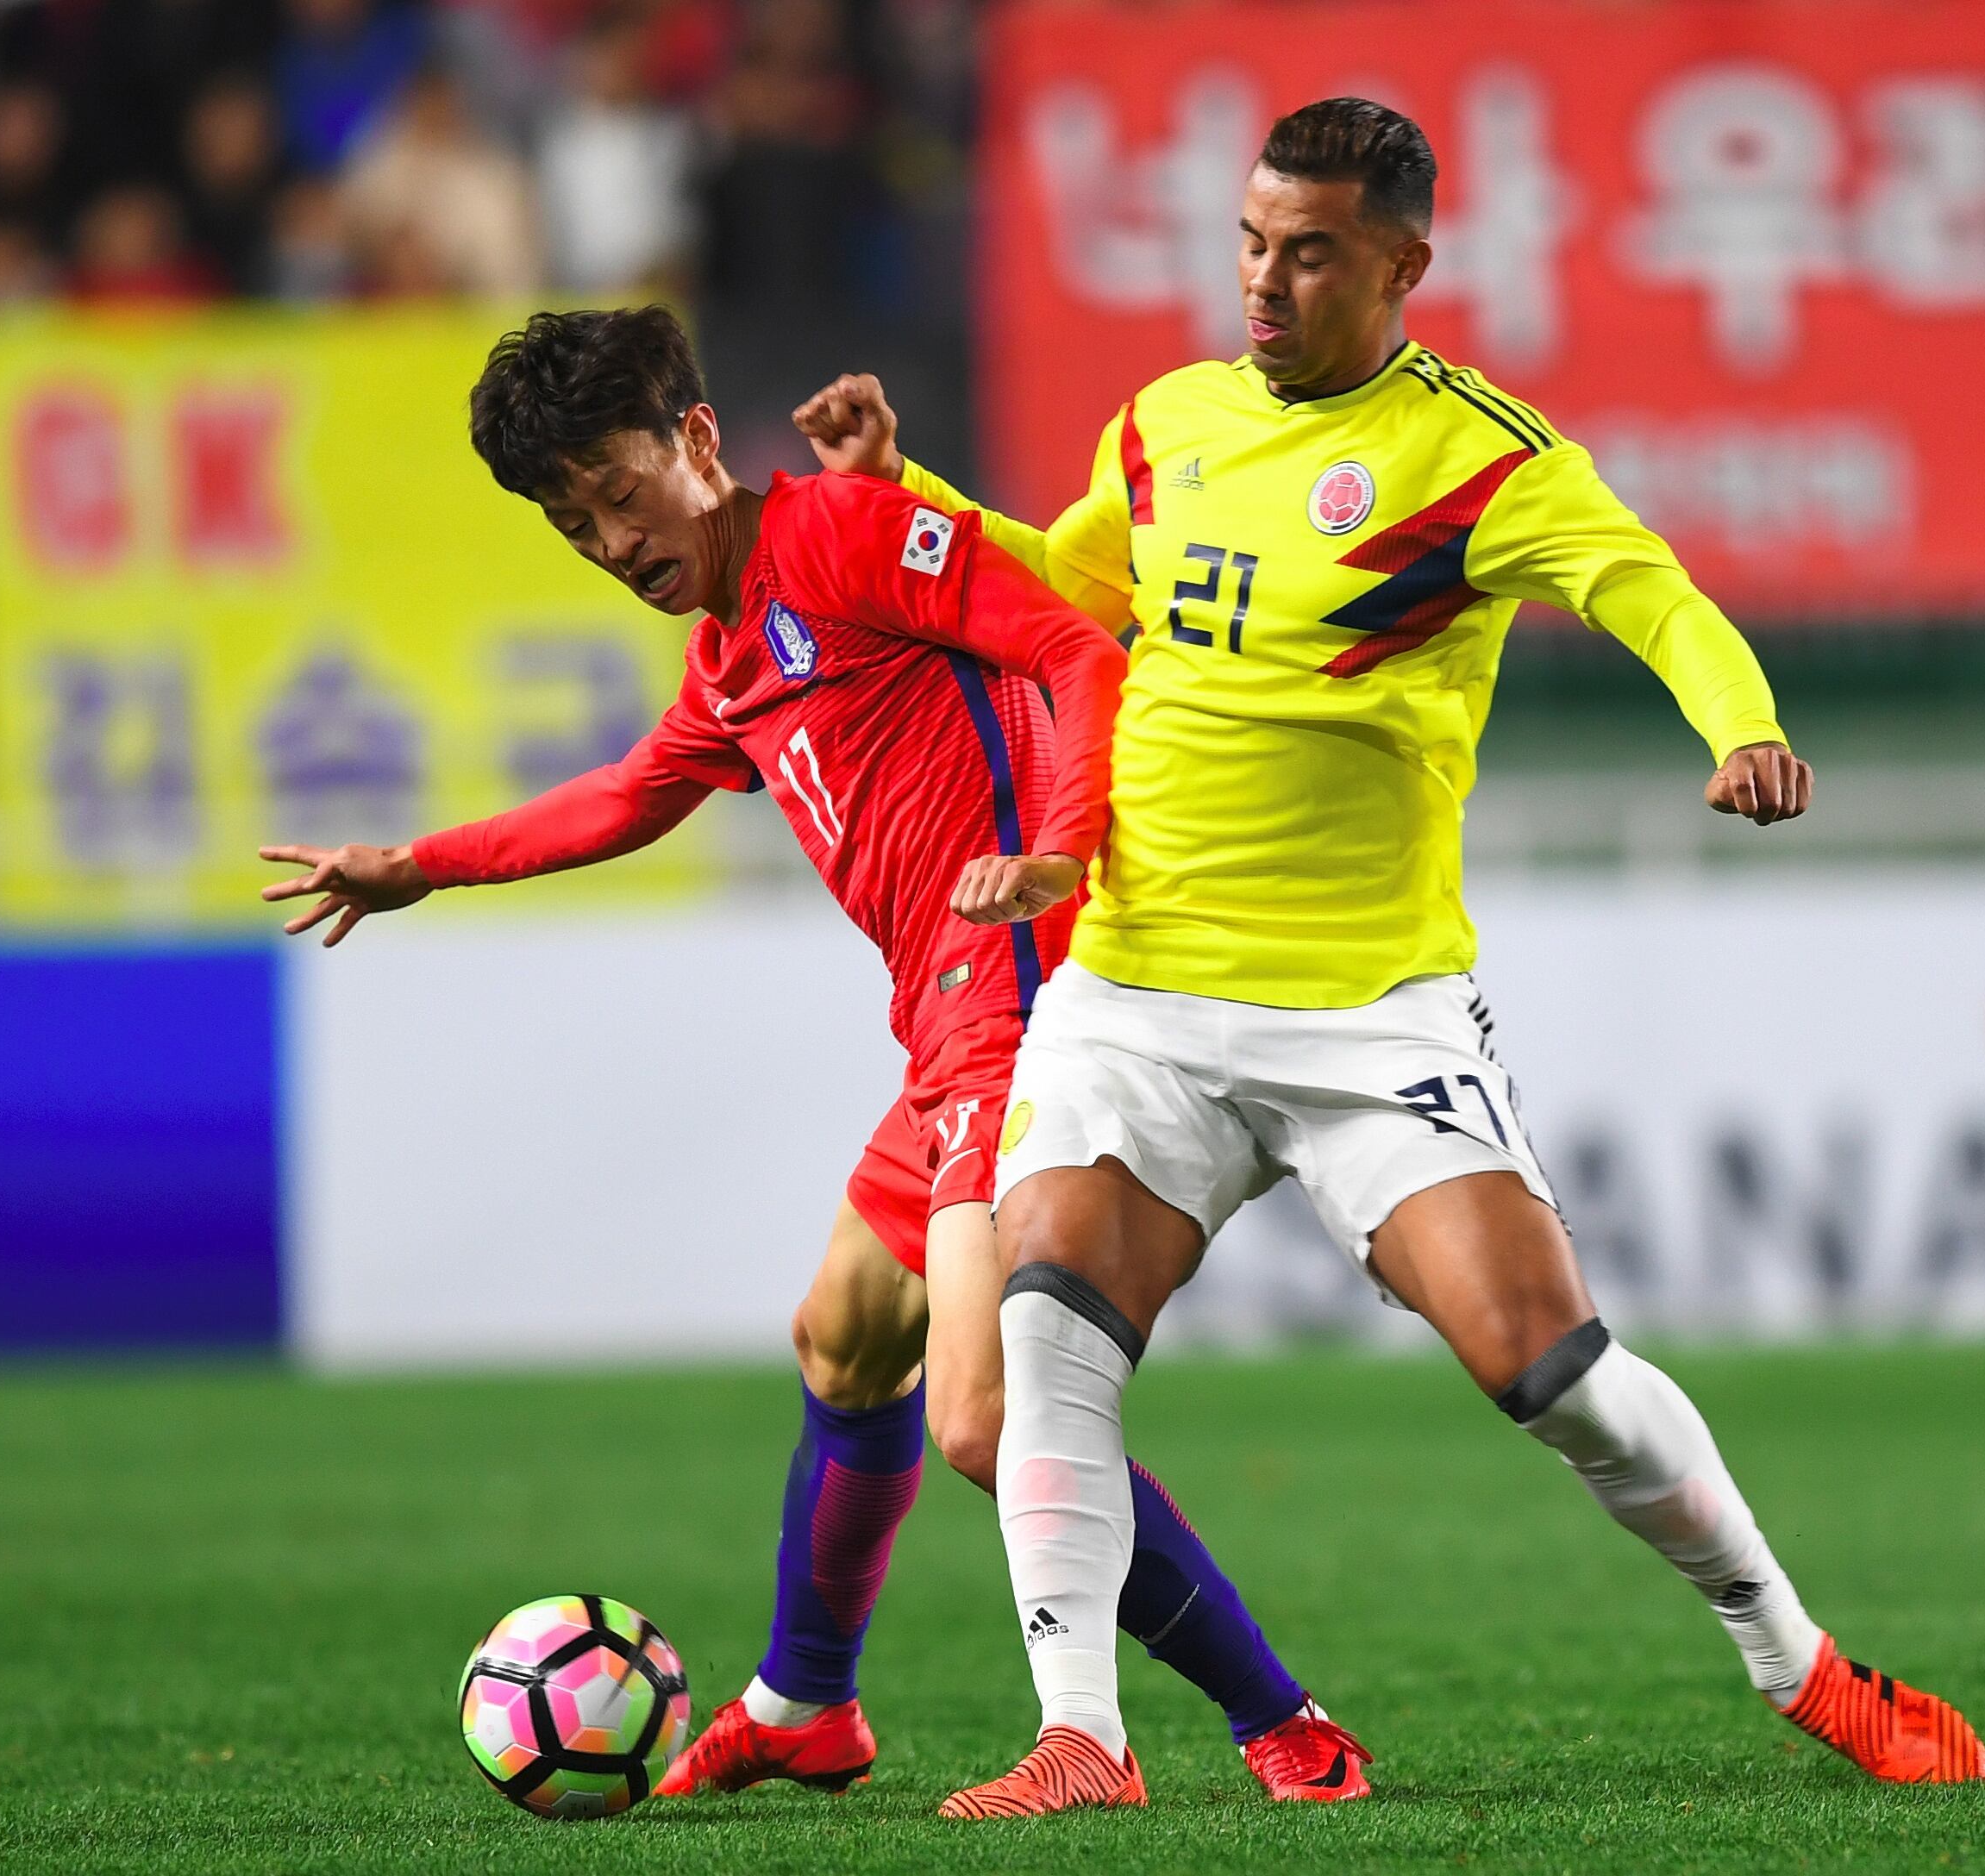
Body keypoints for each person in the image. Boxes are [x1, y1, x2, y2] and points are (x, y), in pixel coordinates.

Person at [795, 97, 1985, 1818]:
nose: (1265, 283)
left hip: (1367, 1011)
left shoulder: (1480, 461)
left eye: (1309, 254)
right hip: (1134, 987)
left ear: (1402, 266)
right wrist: (894, 492)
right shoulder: (1167, 424)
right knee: (1051, 1312)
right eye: (1250, 241)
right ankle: (1082, 1737)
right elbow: (1058, 589)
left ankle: (1800, 1663)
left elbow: (1651, 591)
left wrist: (1743, 726)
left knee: (1549, 1369)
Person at [258, 306, 1370, 1805]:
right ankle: (805, 1702)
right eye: (571, 519)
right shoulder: (732, 651)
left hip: (1028, 997)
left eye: (619, 489)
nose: (608, 537)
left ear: (698, 441)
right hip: (947, 1025)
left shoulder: (841, 535)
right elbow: (626, 799)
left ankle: (1280, 1726)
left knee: (986, 1418)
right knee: (846, 1334)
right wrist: (424, 864)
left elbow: (1074, 644)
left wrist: (1058, 849)